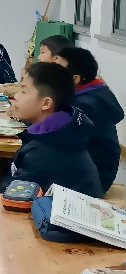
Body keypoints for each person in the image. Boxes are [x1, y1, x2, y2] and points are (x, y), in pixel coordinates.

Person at [0, 62, 103, 197]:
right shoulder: (62, 130)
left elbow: (11, 198)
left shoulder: (46, 152)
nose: (17, 96)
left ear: (46, 103)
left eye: (23, 91)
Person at [55, 47, 124, 193]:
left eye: (57, 71)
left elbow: (57, 136)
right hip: (85, 170)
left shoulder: (87, 105)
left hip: (91, 180)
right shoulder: (90, 92)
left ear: (75, 79)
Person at [0, 35, 72, 98]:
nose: (38, 57)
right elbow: (23, 84)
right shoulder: (45, 73)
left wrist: (2, 90)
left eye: (42, 52)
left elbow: (28, 92)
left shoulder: (56, 78)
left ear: (56, 58)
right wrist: (1, 86)